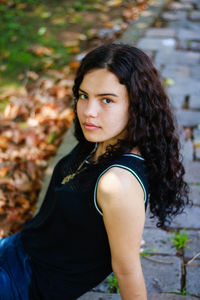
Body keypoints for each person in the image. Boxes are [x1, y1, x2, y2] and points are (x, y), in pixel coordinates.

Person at [0, 43, 189, 300]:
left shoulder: (117, 183)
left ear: (137, 105)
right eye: (84, 95)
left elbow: (127, 271)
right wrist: (120, 235)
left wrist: (125, 246)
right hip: (15, 249)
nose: (88, 111)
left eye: (107, 100)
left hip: (22, 283)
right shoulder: (100, 141)